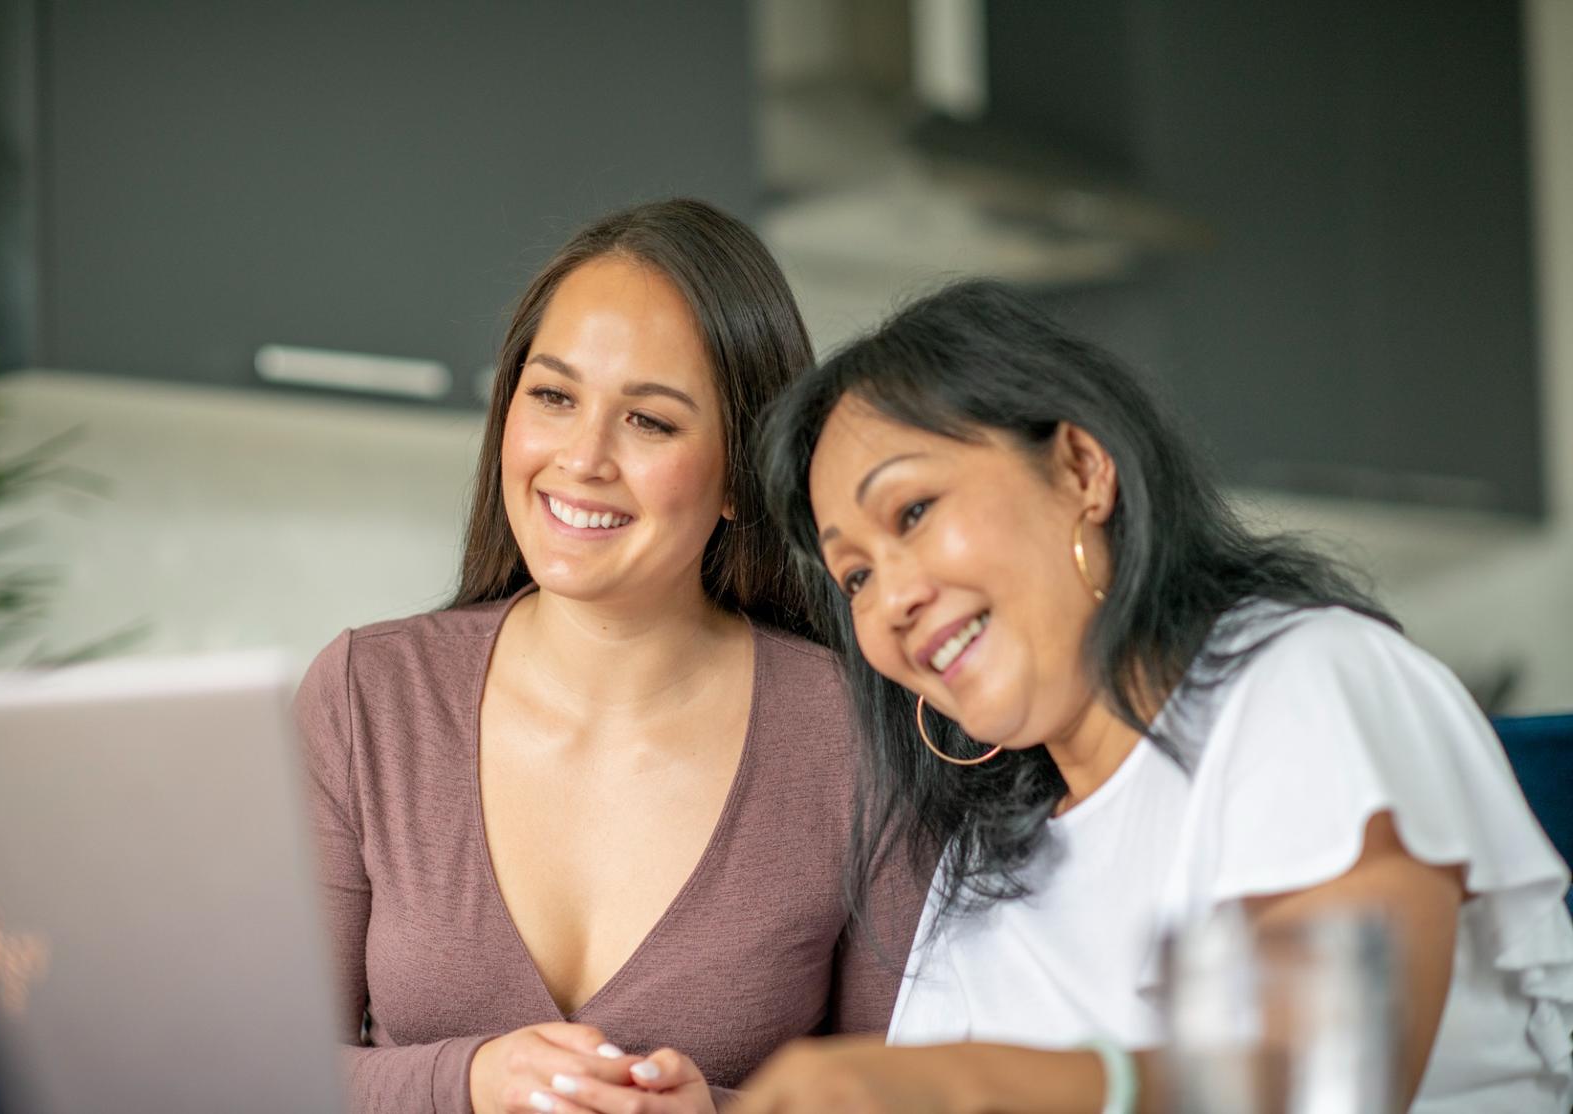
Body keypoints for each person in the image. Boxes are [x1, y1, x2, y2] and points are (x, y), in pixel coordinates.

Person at [738, 279, 1573, 1113]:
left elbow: (1326, 1076)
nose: (888, 603)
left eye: (913, 511)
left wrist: (974, 1085)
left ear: (1081, 469)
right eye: (855, 576)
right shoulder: (984, 866)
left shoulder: (1305, 683)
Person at [293, 199, 924, 1114]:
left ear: (743, 479)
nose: (583, 457)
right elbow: (264, 1071)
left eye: (651, 422)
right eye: (553, 397)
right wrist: (467, 1081)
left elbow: (910, 1097)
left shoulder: (862, 739)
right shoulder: (367, 698)